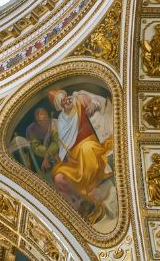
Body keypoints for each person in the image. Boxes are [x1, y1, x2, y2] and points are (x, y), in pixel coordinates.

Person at [49, 89, 114, 224]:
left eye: (66, 97)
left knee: (86, 149)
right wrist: (65, 156)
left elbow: (97, 102)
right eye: (62, 101)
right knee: (58, 175)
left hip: (90, 142)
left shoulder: (78, 99)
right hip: (74, 154)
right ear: (59, 106)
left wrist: (93, 105)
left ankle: (90, 190)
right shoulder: (61, 120)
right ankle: (82, 207)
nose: (67, 100)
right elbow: (64, 143)